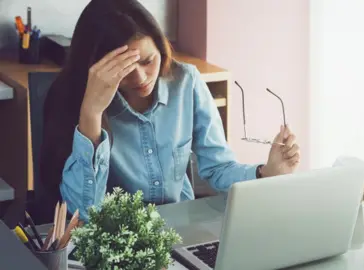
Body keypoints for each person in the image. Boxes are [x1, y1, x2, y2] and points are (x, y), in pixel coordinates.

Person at [40, 0, 301, 222]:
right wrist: (91, 115)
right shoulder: (73, 99)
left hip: (181, 232)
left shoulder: (186, 82)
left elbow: (218, 168)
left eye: (147, 60)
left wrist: (266, 173)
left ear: (161, 45)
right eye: (125, 71)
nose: (141, 77)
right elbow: (83, 214)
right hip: (115, 244)